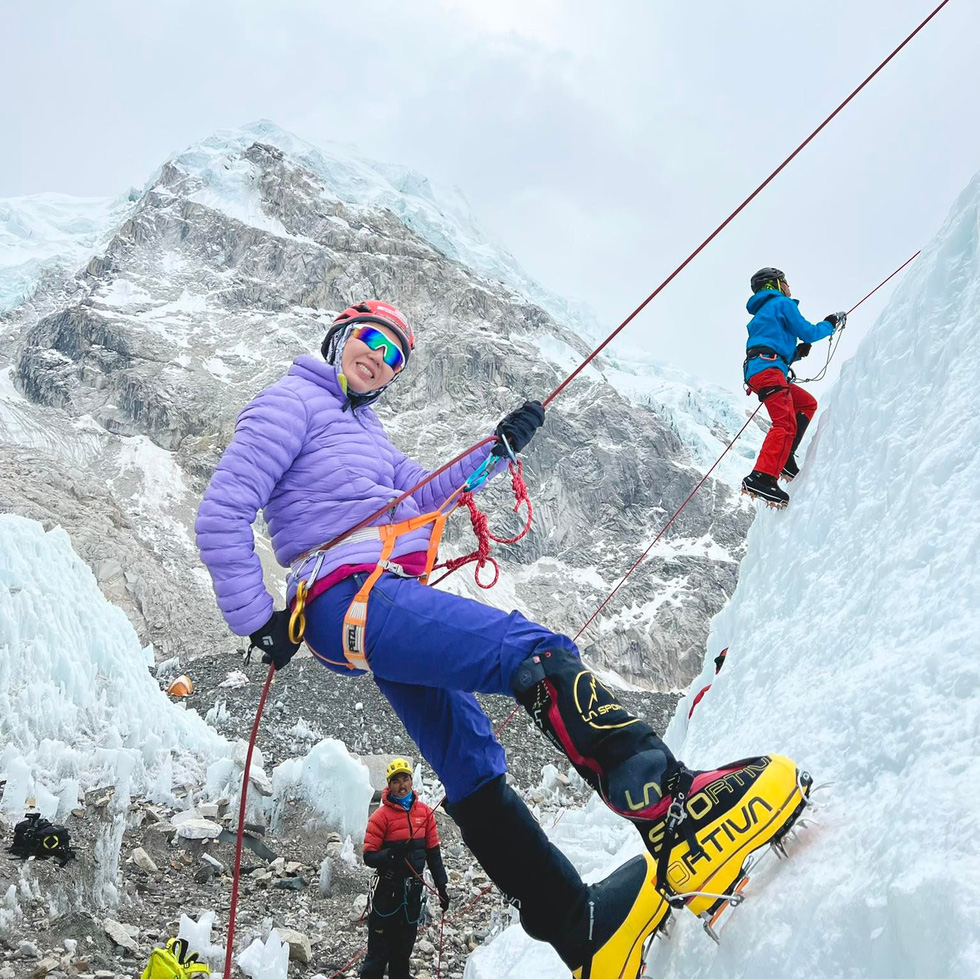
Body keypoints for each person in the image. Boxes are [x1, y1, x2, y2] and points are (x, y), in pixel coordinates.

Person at [196, 298, 812, 978]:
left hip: (375, 602)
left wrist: (497, 449)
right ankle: (679, 819)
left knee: (472, 763)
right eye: (371, 340)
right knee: (531, 649)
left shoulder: (366, 433)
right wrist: (257, 619)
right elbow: (222, 511)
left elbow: (425, 494)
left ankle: (581, 931)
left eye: (395, 355)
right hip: (350, 594)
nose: (380, 359)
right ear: (340, 336)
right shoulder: (291, 403)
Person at [741, 267, 846, 508]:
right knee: (785, 423)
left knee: (806, 404)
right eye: (785, 282)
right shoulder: (782, 304)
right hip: (769, 370)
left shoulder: (762, 313)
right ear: (775, 285)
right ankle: (762, 477)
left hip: (762, 369)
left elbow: (767, 342)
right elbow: (807, 331)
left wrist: (795, 354)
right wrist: (830, 323)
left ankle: (785, 457)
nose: (789, 287)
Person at [360, 757, 449, 979]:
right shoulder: (380, 817)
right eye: (396, 781)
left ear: (411, 782)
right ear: (389, 785)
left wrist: (442, 887)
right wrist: (389, 855)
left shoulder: (425, 814)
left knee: (403, 950)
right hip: (387, 893)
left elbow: (433, 853)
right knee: (378, 953)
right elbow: (369, 856)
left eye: (405, 779)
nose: (402, 785)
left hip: (412, 893)